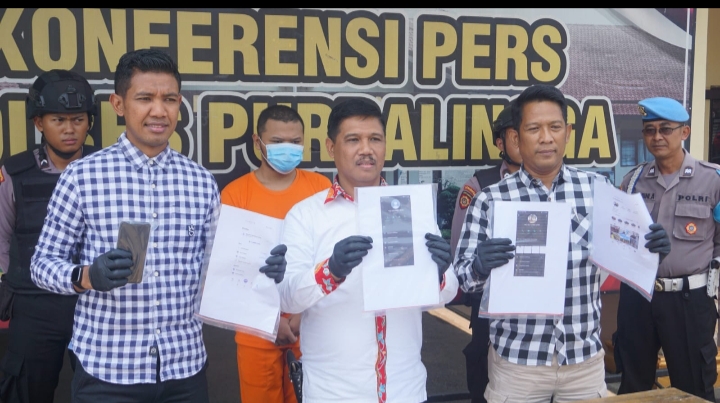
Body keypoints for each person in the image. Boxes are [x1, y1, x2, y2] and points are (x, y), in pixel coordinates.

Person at [28, 49, 285, 403]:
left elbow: (218, 270)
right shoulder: (82, 176)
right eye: (145, 98)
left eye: (170, 99)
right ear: (119, 104)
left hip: (184, 368)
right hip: (108, 371)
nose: (159, 111)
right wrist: (87, 276)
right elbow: (41, 265)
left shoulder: (200, 182)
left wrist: (260, 269)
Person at [453, 84, 671, 403]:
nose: (546, 137)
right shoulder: (490, 200)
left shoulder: (598, 190)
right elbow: (463, 278)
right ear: (516, 137)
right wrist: (478, 265)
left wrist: (650, 252)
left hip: (583, 361)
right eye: (534, 129)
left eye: (554, 127)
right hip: (517, 363)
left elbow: (626, 256)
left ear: (567, 133)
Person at [277, 98, 459, 403]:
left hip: (405, 390)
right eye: (353, 140)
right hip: (334, 394)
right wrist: (330, 271)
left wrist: (439, 274)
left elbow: (445, 295)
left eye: (375, 139)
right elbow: (287, 296)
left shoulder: (410, 208)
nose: (366, 149)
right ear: (331, 148)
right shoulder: (306, 215)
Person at [0, 70, 99, 403]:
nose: (69, 129)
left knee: (106, 392)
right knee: (24, 391)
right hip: (35, 304)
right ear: (39, 123)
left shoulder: (106, 170)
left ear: (89, 122)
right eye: (58, 120)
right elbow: (2, 238)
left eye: (78, 120)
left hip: (95, 302)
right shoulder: (15, 173)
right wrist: (16, 280)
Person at [221, 104, 331, 403]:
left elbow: (328, 260)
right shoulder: (235, 195)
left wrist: (299, 314)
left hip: (311, 327)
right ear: (257, 142)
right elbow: (230, 271)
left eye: (295, 142)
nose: (288, 148)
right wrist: (272, 321)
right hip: (255, 331)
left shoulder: (321, 188)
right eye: (278, 141)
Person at [615, 97, 720, 401]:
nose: (657, 136)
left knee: (693, 387)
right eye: (649, 130)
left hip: (688, 300)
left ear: (684, 132)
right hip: (639, 296)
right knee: (634, 386)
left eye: (665, 129)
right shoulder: (633, 180)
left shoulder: (712, 180)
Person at [448, 101, 522, 403]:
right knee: (484, 379)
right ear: (500, 143)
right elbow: (460, 252)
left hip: (538, 307)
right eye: (514, 135)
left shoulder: (558, 184)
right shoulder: (480, 185)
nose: (524, 140)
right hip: (489, 304)